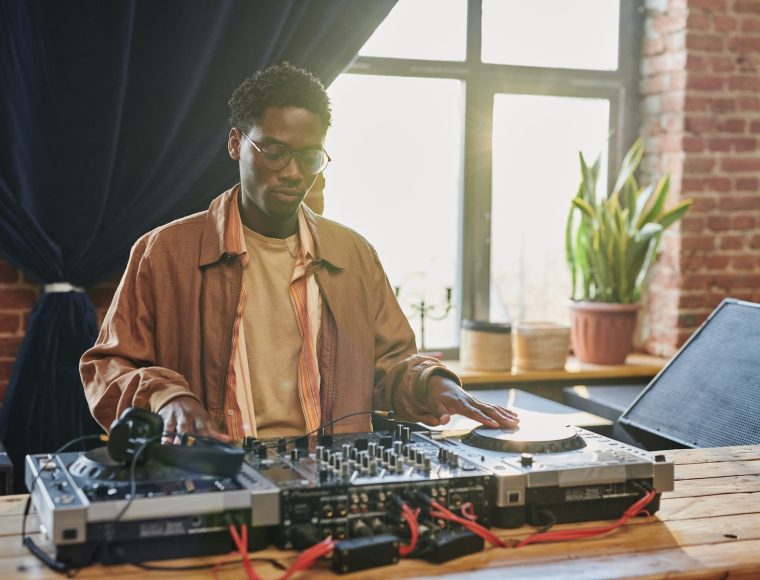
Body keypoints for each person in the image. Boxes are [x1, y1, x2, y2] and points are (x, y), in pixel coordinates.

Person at [80, 63, 519, 443]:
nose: (292, 173)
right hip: (209, 476)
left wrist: (434, 384)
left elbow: (392, 363)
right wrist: (167, 397)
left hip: (331, 478)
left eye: (309, 157)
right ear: (236, 144)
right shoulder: (162, 253)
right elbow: (108, 367)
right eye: (274, 151)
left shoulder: (354, 254)